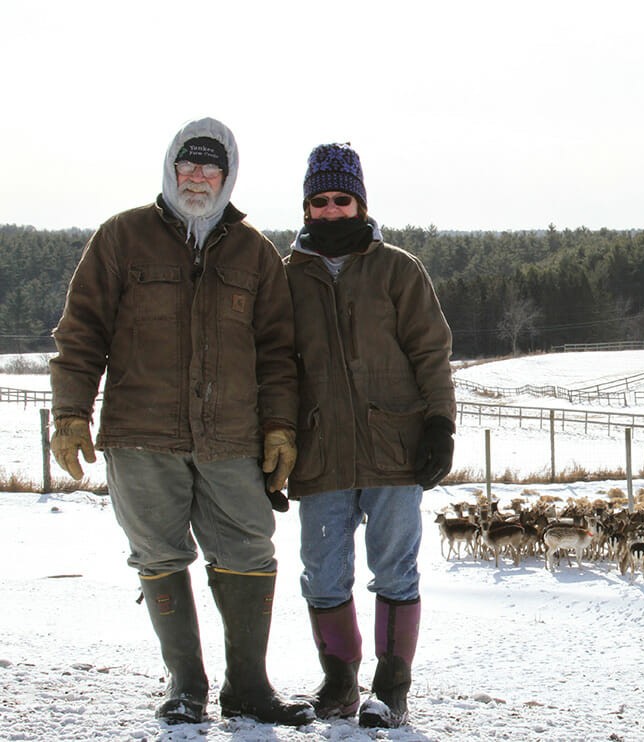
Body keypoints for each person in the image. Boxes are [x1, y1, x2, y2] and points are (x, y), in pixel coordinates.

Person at [48, 118, 314, 727]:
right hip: (141, 434)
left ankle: (248, 687)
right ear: (171, 169)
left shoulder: (255, 252)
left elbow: (278, 353)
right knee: (158, 553)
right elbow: (81, 332)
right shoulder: (122, 237)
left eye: (209, 167)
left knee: (249, 549)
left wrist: (280, 427)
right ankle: (186, 684)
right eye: (187, 165)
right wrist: (70, 412)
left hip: (231, 436)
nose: (197, 178)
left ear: (227, 175)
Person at [283, 143, 456, 728]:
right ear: (307, 207)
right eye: (320, 201)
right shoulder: (287, 277)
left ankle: (391, 689)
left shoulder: (398, 269)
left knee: (396, 570)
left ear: (360, 202)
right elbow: (274, 365)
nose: (331, 210)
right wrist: (273, 440)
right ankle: (339, 684)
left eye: (342, 198)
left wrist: (440, 423)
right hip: (319, 452)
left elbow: (431, 352)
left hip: (395, 450)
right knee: (322, 573)